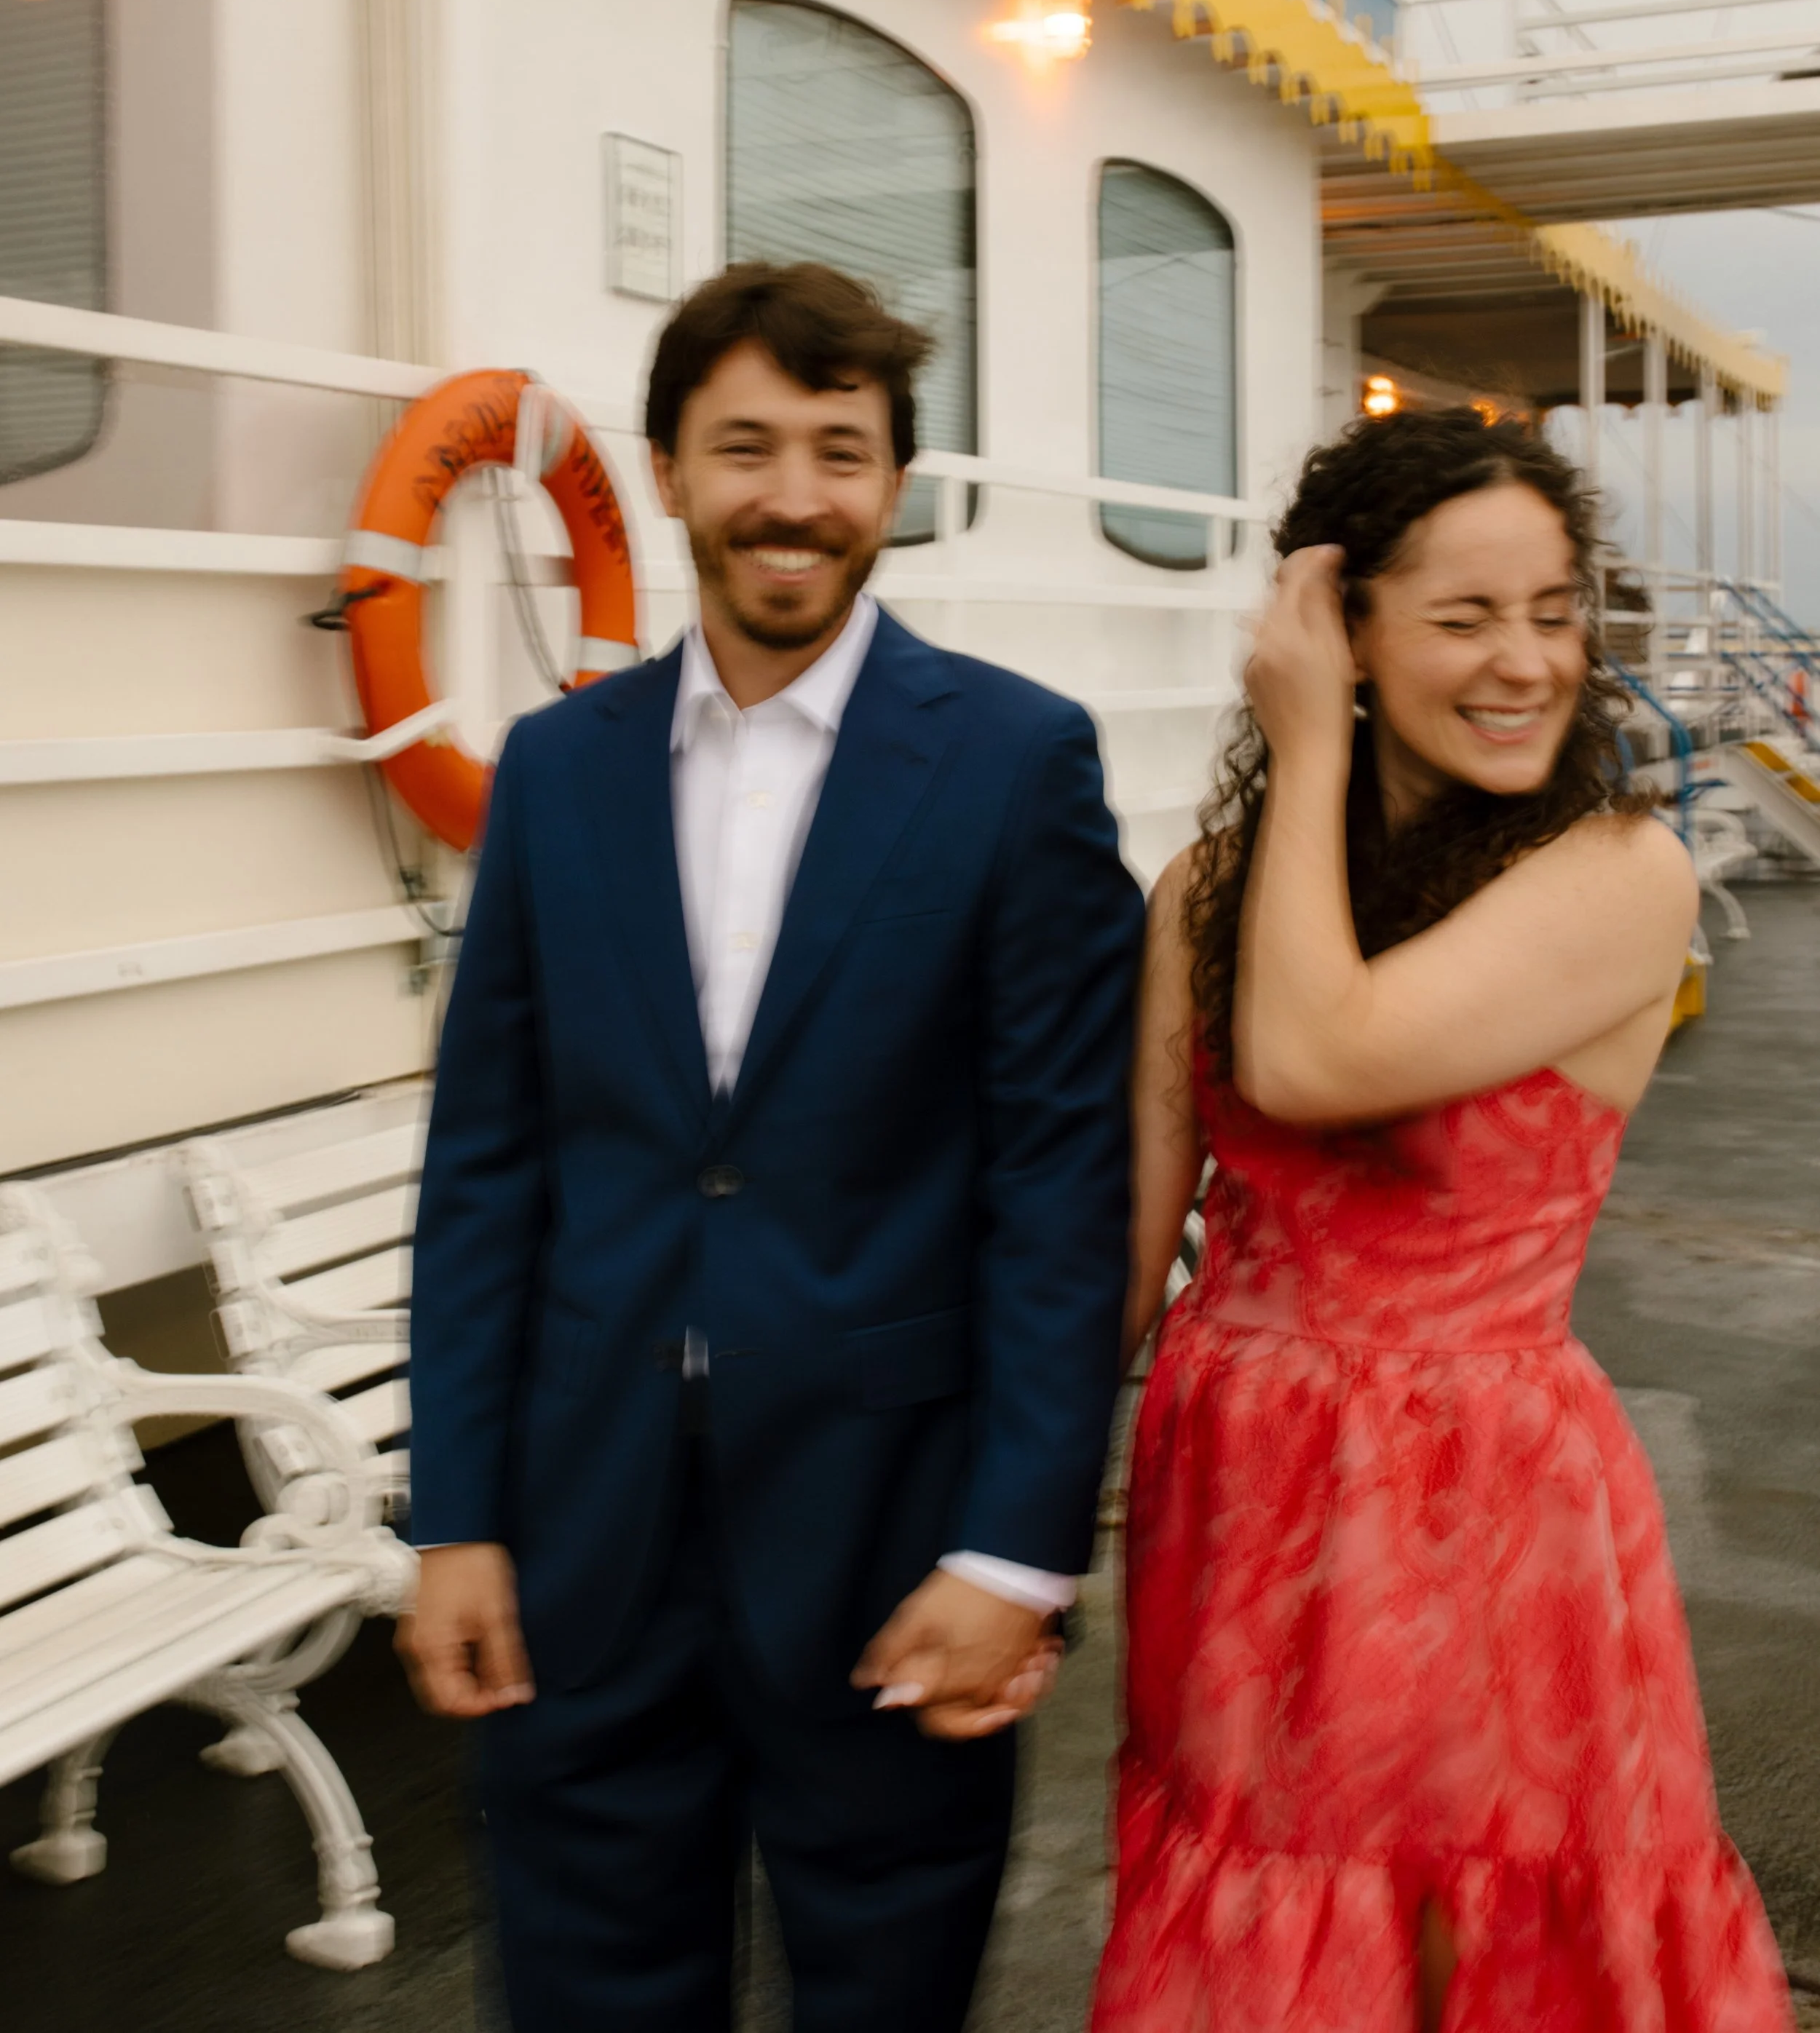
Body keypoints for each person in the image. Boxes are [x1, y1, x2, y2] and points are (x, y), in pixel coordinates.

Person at [398, 259, 1146, 2033]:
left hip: (892, 1542)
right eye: (743, 447)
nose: (790, 496)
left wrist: (1015, 1557)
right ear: (666, 471)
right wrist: (460, 1520)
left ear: (894, 484)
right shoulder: (557, 770)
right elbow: (486, 1170)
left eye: (838, 448)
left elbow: (1057, 1186)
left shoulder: (1016, 764)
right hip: (583, 1540)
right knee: (583, 1992)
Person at [1094, 408, 1795, 2032]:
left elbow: (1308, 1052)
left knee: (1447, 1939)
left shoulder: (1618, 875)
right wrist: (997, 1537)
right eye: (1465, 616)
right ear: (1344, 629)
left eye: (1553, 614)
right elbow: (1127, 1245)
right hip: (1235, 1510)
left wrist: (1313, 740)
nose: (1525, 663)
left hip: (1469, 1506)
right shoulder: (1207, 889)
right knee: (1262, 1922)